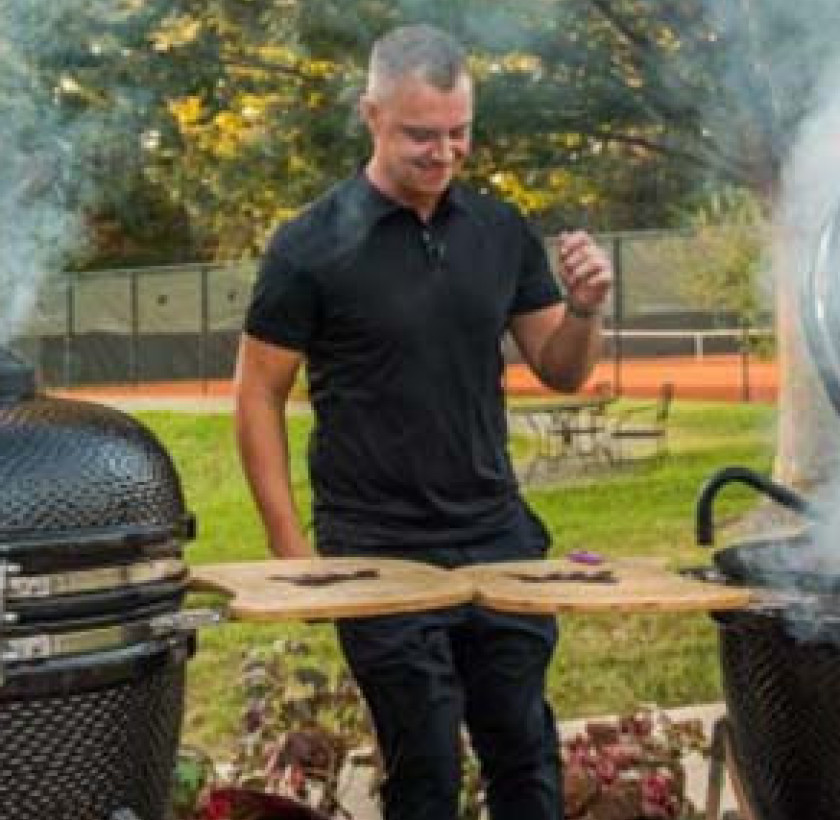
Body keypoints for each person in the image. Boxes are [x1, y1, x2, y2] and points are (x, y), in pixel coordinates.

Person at [233, 23, 612, 820]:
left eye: (459, 133)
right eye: (420, 136)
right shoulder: (308, 247)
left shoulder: (501, 232)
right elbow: (258, 394)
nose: (444, 153)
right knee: (427, 765)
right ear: (371, 115)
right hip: (376, 543)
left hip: (496, 531)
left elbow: (563, 369)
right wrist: (290, 552)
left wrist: (583, 309)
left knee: (525, 753)